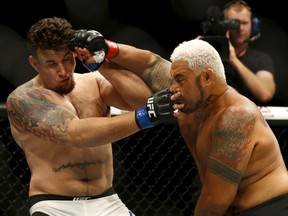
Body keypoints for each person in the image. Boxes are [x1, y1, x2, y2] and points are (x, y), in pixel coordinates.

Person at [5, 17, 175, 216]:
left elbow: (144, 100)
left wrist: (101, 64)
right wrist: (144, 116)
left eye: (67, 59)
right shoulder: (23, 99)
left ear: (76, 54)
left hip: (107, 201)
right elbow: (77, 134)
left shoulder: (93, 82)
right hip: (54, 205)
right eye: (51, 63)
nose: (62, 71)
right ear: (34, 63)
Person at [104, 38, 288, 215]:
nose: (172, 88)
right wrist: (107, 50)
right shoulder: (191, 96)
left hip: (271, 208)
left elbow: (215, 202)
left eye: (179, 79)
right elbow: (150, 64)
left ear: (207, 77)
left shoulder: (235, 117)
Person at [222, 0, 276, 106]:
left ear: (253, 25)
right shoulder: (211, 57)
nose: (240, 28)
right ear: (224, 25)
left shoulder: (262, 59)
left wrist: (234, 60)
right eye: (235, 23)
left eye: (245, 23)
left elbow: (265, 94)